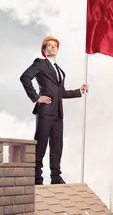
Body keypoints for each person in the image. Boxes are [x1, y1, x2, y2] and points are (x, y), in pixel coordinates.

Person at [19, 36, 89, 185]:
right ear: (44, 51)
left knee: (57, 145)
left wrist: (79, 91)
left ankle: (56, 177)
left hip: (58, 112)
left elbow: (60, 92)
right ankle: (36, 177)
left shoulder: (59, 70)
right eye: (49, 46)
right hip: (45, 111)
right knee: (41, 144)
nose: (52, 48)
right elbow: (25, 77)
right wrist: (36, 97)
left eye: (55, 46)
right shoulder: (40, 63)